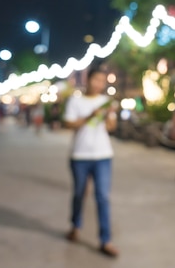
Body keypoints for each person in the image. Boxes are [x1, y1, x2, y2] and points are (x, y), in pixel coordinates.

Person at [64, 68, 119, 258]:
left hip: (103, 155)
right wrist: (89, 116)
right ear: (88, 79)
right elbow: (68, 124)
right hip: (80, 155)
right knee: (79, 193)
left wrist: (107, 116)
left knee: (103, 197)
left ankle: (106, 240)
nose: (99, 84)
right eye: (96, 79)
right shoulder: (75, 100)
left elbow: (112, 127)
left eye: (103, 81)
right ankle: (75, 225)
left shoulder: (105, 102)